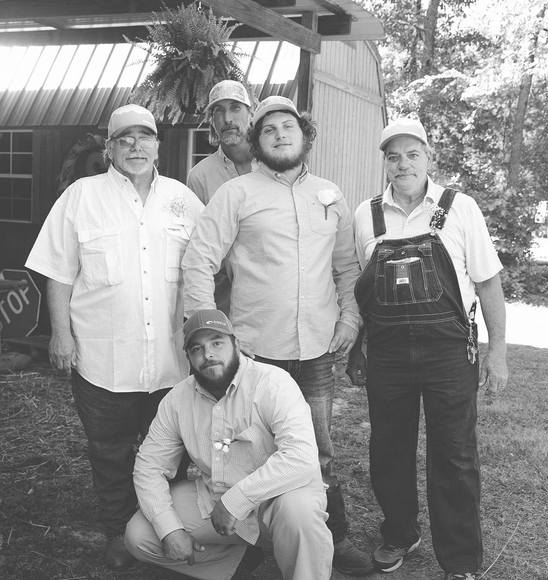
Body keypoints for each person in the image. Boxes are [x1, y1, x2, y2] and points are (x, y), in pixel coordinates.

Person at [181, 96, 373, 576]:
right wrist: (208, 333)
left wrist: (350, 320)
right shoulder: (236, 194)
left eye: (289, 126)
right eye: (269, 130)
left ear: (305, 136)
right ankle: (248, 542)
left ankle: (332, 537)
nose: (280, 134)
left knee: (317, 448)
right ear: (257, 142)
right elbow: (199, 260)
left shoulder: (329, 194)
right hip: (255, 353)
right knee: (244, 448)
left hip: (316, 351)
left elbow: (346, 267)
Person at [25, 104, 204, 570]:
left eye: (145, 137)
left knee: (170, 454)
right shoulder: (81, 196)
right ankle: (118, 532)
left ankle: (163, 527)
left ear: (158, 146)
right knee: (109, 453)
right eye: (125, 138)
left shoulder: (184, 201)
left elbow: (209, 266)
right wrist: (60, 334)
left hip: (171, 362)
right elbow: (58, 273)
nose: (135, 146)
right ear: (109, 148)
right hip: (103, 360)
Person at [349, 117, 508, 580]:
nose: (403, 164)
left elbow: (488, 282)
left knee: (454, 454)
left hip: (448, 351)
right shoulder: (366, 215)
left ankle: (460, 560)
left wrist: (497, 351)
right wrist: (358, 347)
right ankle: (400, 533)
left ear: (428, 157)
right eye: (393, 156)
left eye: (412, 154)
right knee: (388, 449)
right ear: (385, 163)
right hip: (387, 352)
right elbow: (363, 289)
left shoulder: (460, 208)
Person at [124, 309, 333, 580]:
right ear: (188, 357)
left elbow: (301, 457)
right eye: (197, 349)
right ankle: (237, 566)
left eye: (217, 342)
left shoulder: (272, 383)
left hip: (277, 500)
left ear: (236, 344)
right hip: (216, 500)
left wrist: (236, 500)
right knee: (140, 535)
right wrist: (171, 531)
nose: (208, 354)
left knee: (299, 514)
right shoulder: (177, 399)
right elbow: (149, 466)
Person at [186, 79, 255, 315]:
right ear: (211, 120)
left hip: (271, 297)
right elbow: (197, 247)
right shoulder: (200, 176)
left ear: (251, 114)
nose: (227, 119)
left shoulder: (272, 166)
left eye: (235, 108)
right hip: (223, 301)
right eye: (218, 111)